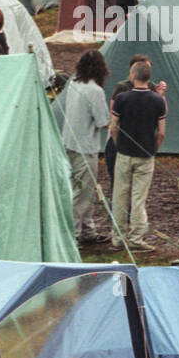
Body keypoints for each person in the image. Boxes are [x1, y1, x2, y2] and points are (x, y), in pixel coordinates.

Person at [109, 58, 165, 251]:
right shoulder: (158, 100)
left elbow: (113, 127)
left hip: (124, 154)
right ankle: (136, 238)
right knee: (138, 198)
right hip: (146, 155)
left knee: (120, 196)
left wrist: (118, 145)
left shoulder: (122, 98)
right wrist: (154, 148)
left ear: (132, 76)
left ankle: (118, 237)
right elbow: (162, 132)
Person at [60, 49, 111, 243]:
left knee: (81, 190)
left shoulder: (73, 84)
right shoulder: (95, 91)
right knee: (82, 194)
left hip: (69, 144)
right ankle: (73, 236)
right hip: (85, 147)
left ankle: (88, 230)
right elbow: (102, 121)